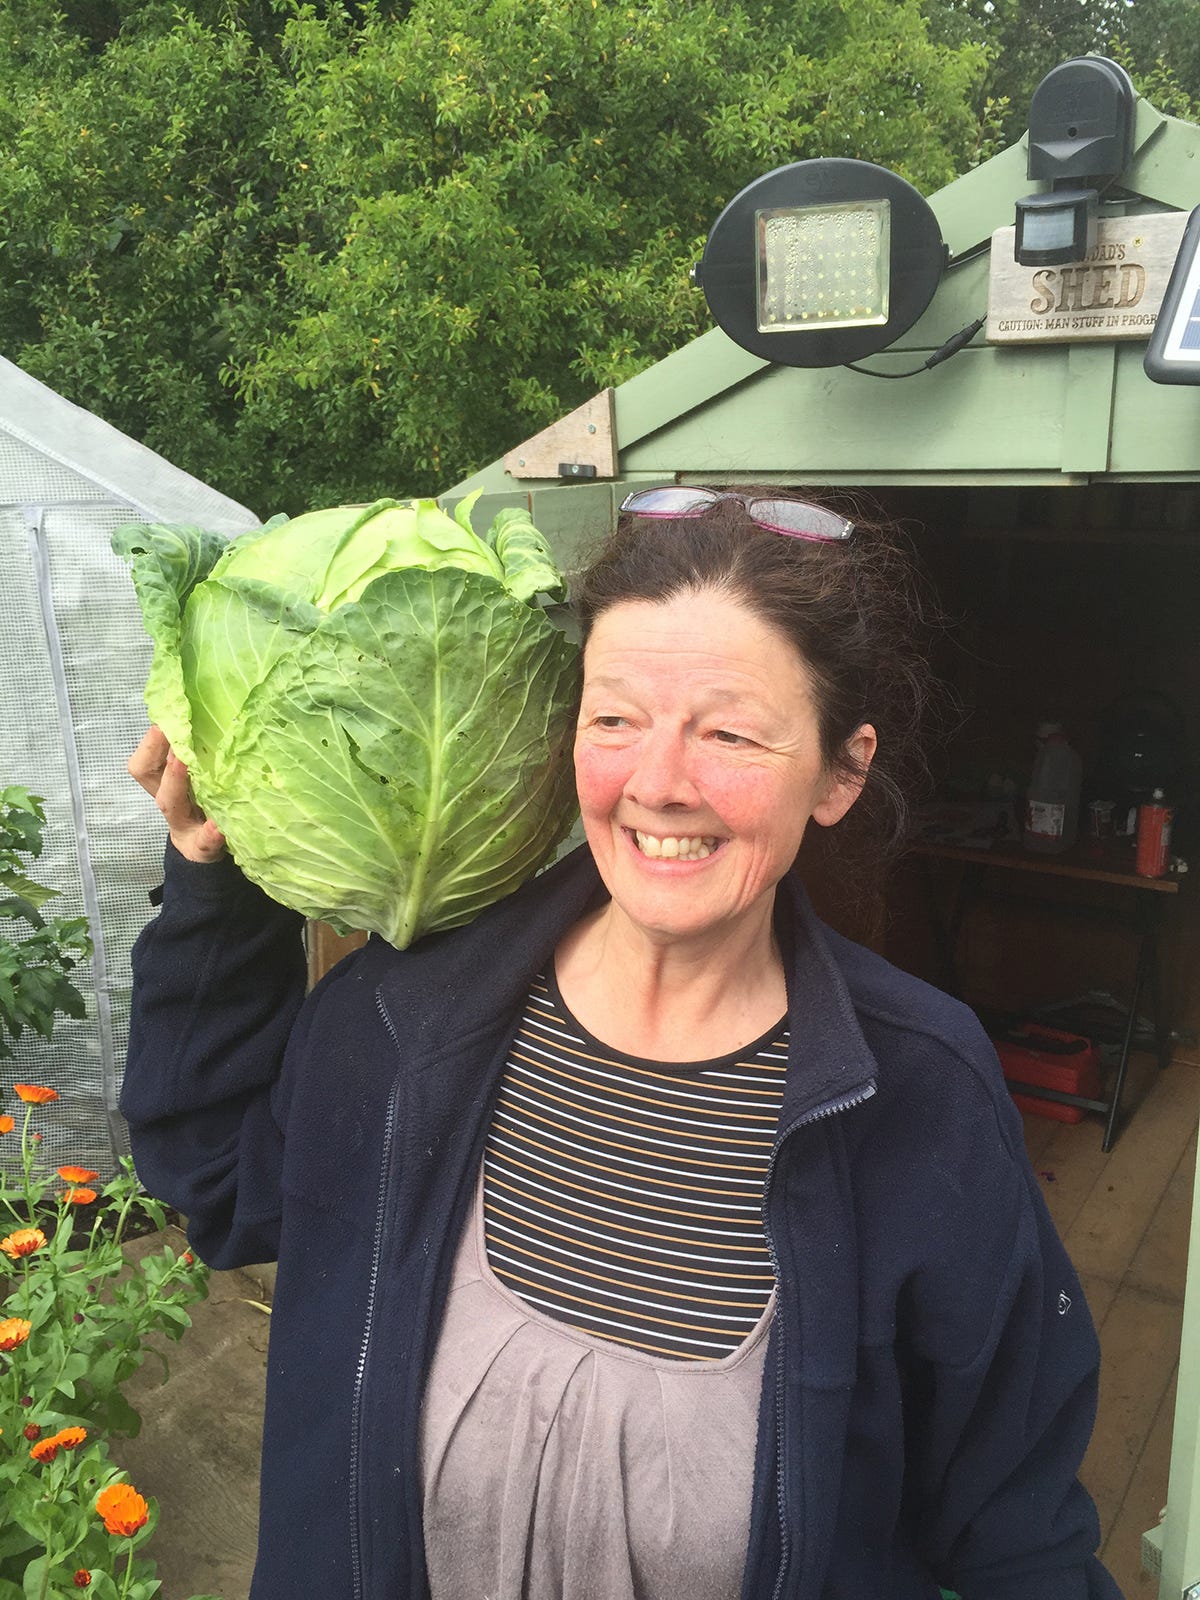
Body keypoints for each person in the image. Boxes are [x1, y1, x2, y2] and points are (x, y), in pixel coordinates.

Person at [122, 486, 1121, 1600]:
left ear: (840, 772)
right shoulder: (403, 1019)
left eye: (729, 731)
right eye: (615, 719)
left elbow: (1017, 1538)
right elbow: (217, 1178)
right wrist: (214, 884)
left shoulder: (918, 1097)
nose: (657, 783)